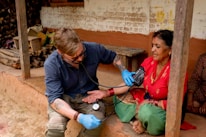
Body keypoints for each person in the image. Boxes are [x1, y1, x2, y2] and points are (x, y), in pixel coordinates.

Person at [82, 29, 188, 136]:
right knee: (119, 97)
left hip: (164, 110)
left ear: (170, 50)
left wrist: (153, 103)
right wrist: (106, 93)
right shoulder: (149, 62)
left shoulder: (177, 72)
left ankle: (143, 122)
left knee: (147, 111)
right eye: (152, 45)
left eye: (157, 46)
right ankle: (141, 119)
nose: (152, 50)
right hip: (147, 100)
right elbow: (132, 83)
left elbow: (176, 103)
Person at [44, 28, 135, 137]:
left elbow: (113, 57)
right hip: (64, 98)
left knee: (97, 121)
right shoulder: (51, 64)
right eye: (74, 57)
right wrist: (79, 117)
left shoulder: (94, 49)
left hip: (89, 96)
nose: (80, 59)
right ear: (60, 52)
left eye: (82, 53)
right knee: (55, 126)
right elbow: (54, 100)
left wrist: (123, 70)